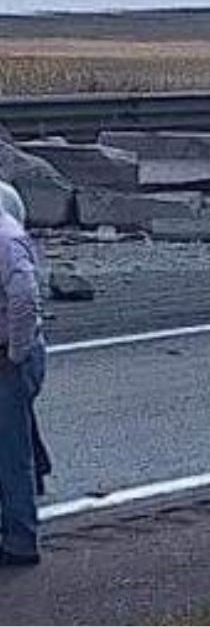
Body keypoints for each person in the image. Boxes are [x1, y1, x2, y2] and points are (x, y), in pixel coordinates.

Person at [0, 180, 46, 567]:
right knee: (14, 441)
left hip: (10, 356)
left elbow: (25, 298)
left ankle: (20, 539)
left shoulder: (5, 240)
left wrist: (14, 353)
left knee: (10, 452)